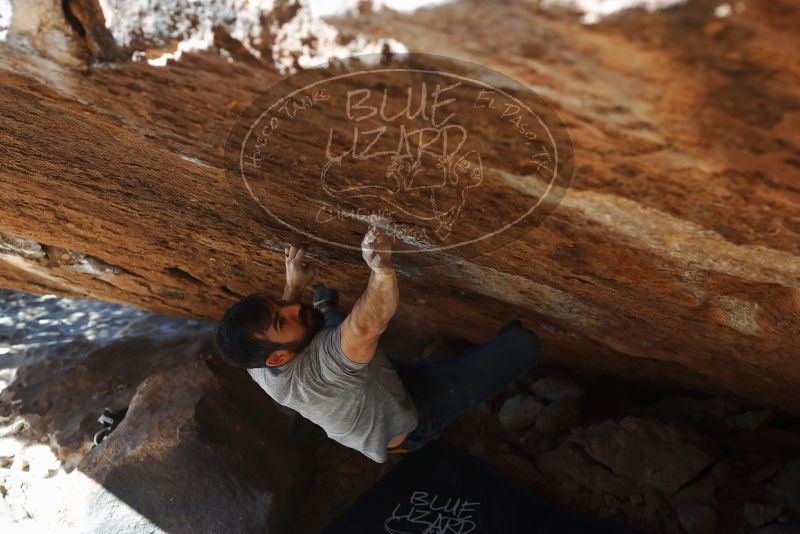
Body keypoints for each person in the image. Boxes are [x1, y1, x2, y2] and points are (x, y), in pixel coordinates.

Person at [214, 227, 541, 463]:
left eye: (278, 303)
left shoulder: (255, 361)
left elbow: (285, 323)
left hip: (374, 380)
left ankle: (326, 309)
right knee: (521, 345)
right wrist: (381, 270)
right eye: (281, 320)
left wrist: (293, 285)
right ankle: (327, 310)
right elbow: (368, 324)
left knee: (324, 326)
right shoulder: (321, 371)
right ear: (279, 358)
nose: (291, 308)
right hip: (410, 416)